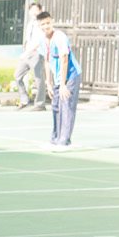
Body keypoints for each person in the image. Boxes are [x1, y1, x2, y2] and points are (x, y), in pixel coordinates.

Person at [38, 11, 81, 150]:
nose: (46, 26)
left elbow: (64, 59)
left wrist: (63, 85)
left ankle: (64, 141)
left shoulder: (60, 37)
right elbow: (46, 61)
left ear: (52, 22)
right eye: (43, 24)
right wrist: (49, 83)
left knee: (66, 106)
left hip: (71, 76)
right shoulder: (42, 40)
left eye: (48, 23)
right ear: (39, 26)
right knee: (56, 106)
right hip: (57, 78)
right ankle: (55, 139)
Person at [13, 1, 47, 110]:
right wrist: (25, 49)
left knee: (39, 79)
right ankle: (24, 100)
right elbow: (28, 39)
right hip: (27, 54)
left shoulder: (42, 24)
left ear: (40, 11)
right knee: (17, 76)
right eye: (31, 10)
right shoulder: (30, 24)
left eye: (36, 10)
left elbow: (40, 41)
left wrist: (29, 51)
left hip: (37, 53)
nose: (33, 12)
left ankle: (40, 104)